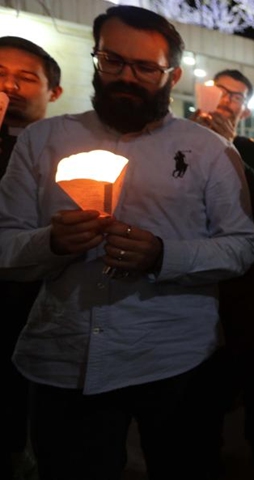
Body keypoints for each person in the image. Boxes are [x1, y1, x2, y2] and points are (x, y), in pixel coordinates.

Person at [0, 6, 254, 480]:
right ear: (96, 58)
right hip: (64, 358)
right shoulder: (43, 140)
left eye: (145, 68)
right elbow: (5, 246)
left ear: (172, 74)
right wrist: (51, 243)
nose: (127, 77)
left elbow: (241, 246)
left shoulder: (207, 150)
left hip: (176, 359)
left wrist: (163, 254)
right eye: (113, 61)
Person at [192, 68, 254, 479]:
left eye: (236, 96)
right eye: (220, 92)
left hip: (248, 287)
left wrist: (227, 147)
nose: (227, 101)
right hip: (192, 282)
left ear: (245, 108)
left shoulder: (250, 149)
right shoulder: (174, 140)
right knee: (204, 385)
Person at [0, 35, 62, 480]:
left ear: (52, 92)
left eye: (26, 78)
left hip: (33, 306)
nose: (12, 87)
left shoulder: (64, 148)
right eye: (0, 75)